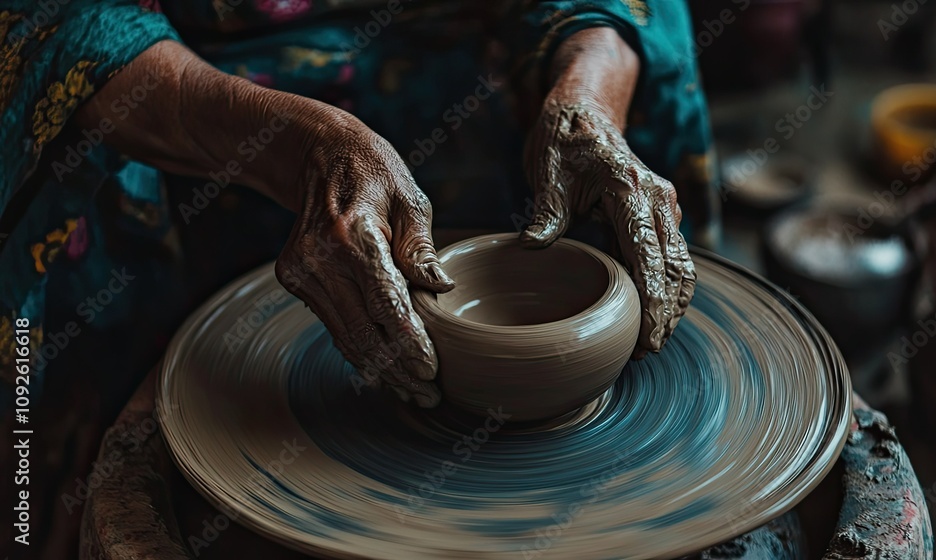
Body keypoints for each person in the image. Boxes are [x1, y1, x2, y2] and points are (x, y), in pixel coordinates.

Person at [0, 0, 716, 552]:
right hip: (199, 112)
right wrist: (299, 148)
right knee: (107, 475)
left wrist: (588, 93)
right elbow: (53, 23)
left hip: (499, 90)